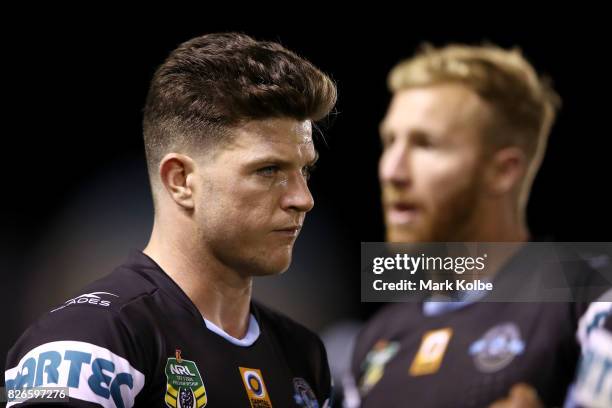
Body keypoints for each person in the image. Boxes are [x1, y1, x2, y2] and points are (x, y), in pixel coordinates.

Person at [5, 32, 337, 407]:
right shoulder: (90, 340)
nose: (302, 199)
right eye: (268, 170)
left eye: (304, 171)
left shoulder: (304, 357)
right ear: (180, 180)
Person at [345, 43, 611, 407]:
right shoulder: (375, 340)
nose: (391, 170)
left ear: (503, 171)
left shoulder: (591, 300)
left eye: (425, 144)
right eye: (389, 141)